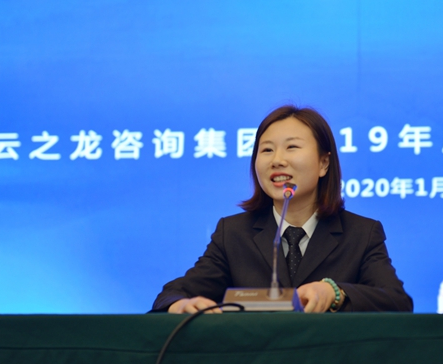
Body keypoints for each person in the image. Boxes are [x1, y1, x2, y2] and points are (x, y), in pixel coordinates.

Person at [151, 105, 413, 314]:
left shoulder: (361, 234)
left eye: (292, 147)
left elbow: (397, 301)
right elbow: (173, 294)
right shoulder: (233, 234)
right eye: (266, 150)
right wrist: (180, 305)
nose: (277, 160)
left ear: (324, 163)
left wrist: (336, 293)